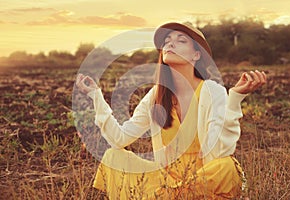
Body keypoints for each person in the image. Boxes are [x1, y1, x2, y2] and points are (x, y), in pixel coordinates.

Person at [76, 21, 266, 199]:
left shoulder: (212, 91)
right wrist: (95, 96)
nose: (170, 44)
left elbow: (217, 152)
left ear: (196, 55)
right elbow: (119, 139)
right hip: (166, 182)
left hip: (204, 181)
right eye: (167, 41)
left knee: (225, 167)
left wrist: (235, 98)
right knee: (113, 156)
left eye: (181, 41)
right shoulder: (156, 95)